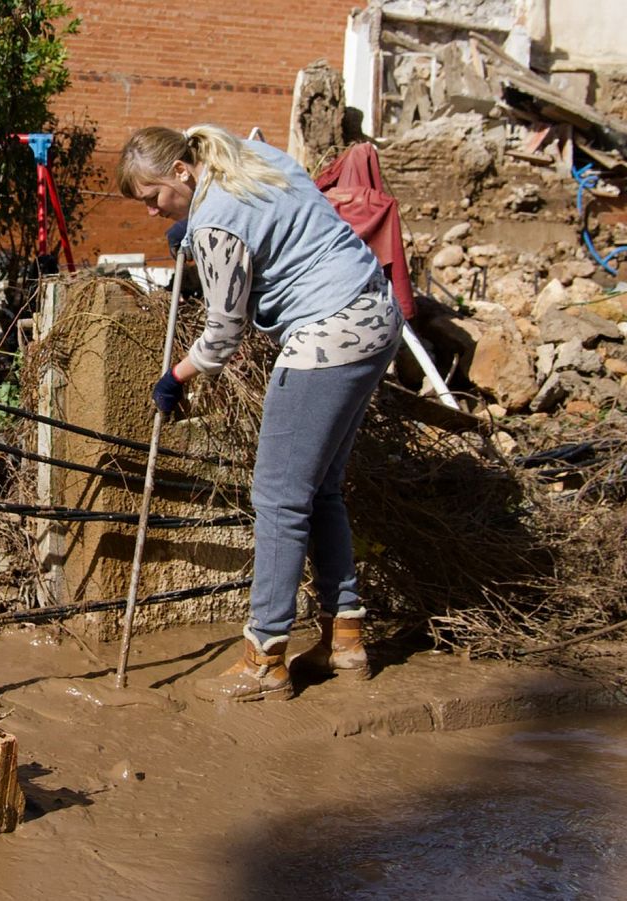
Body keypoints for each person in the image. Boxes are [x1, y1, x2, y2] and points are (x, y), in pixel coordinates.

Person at [117, 125, 402, 702]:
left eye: (153, 197)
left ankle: (265, 658)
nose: (151, 212)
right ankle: (345, 638)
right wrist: (193, 228)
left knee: (278, 498)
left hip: (328, 336)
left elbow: (223, 334)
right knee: (321, 490)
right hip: (376, 315)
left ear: (181, 172)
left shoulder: (214, 224)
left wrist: (176, 377)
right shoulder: (249, 157)